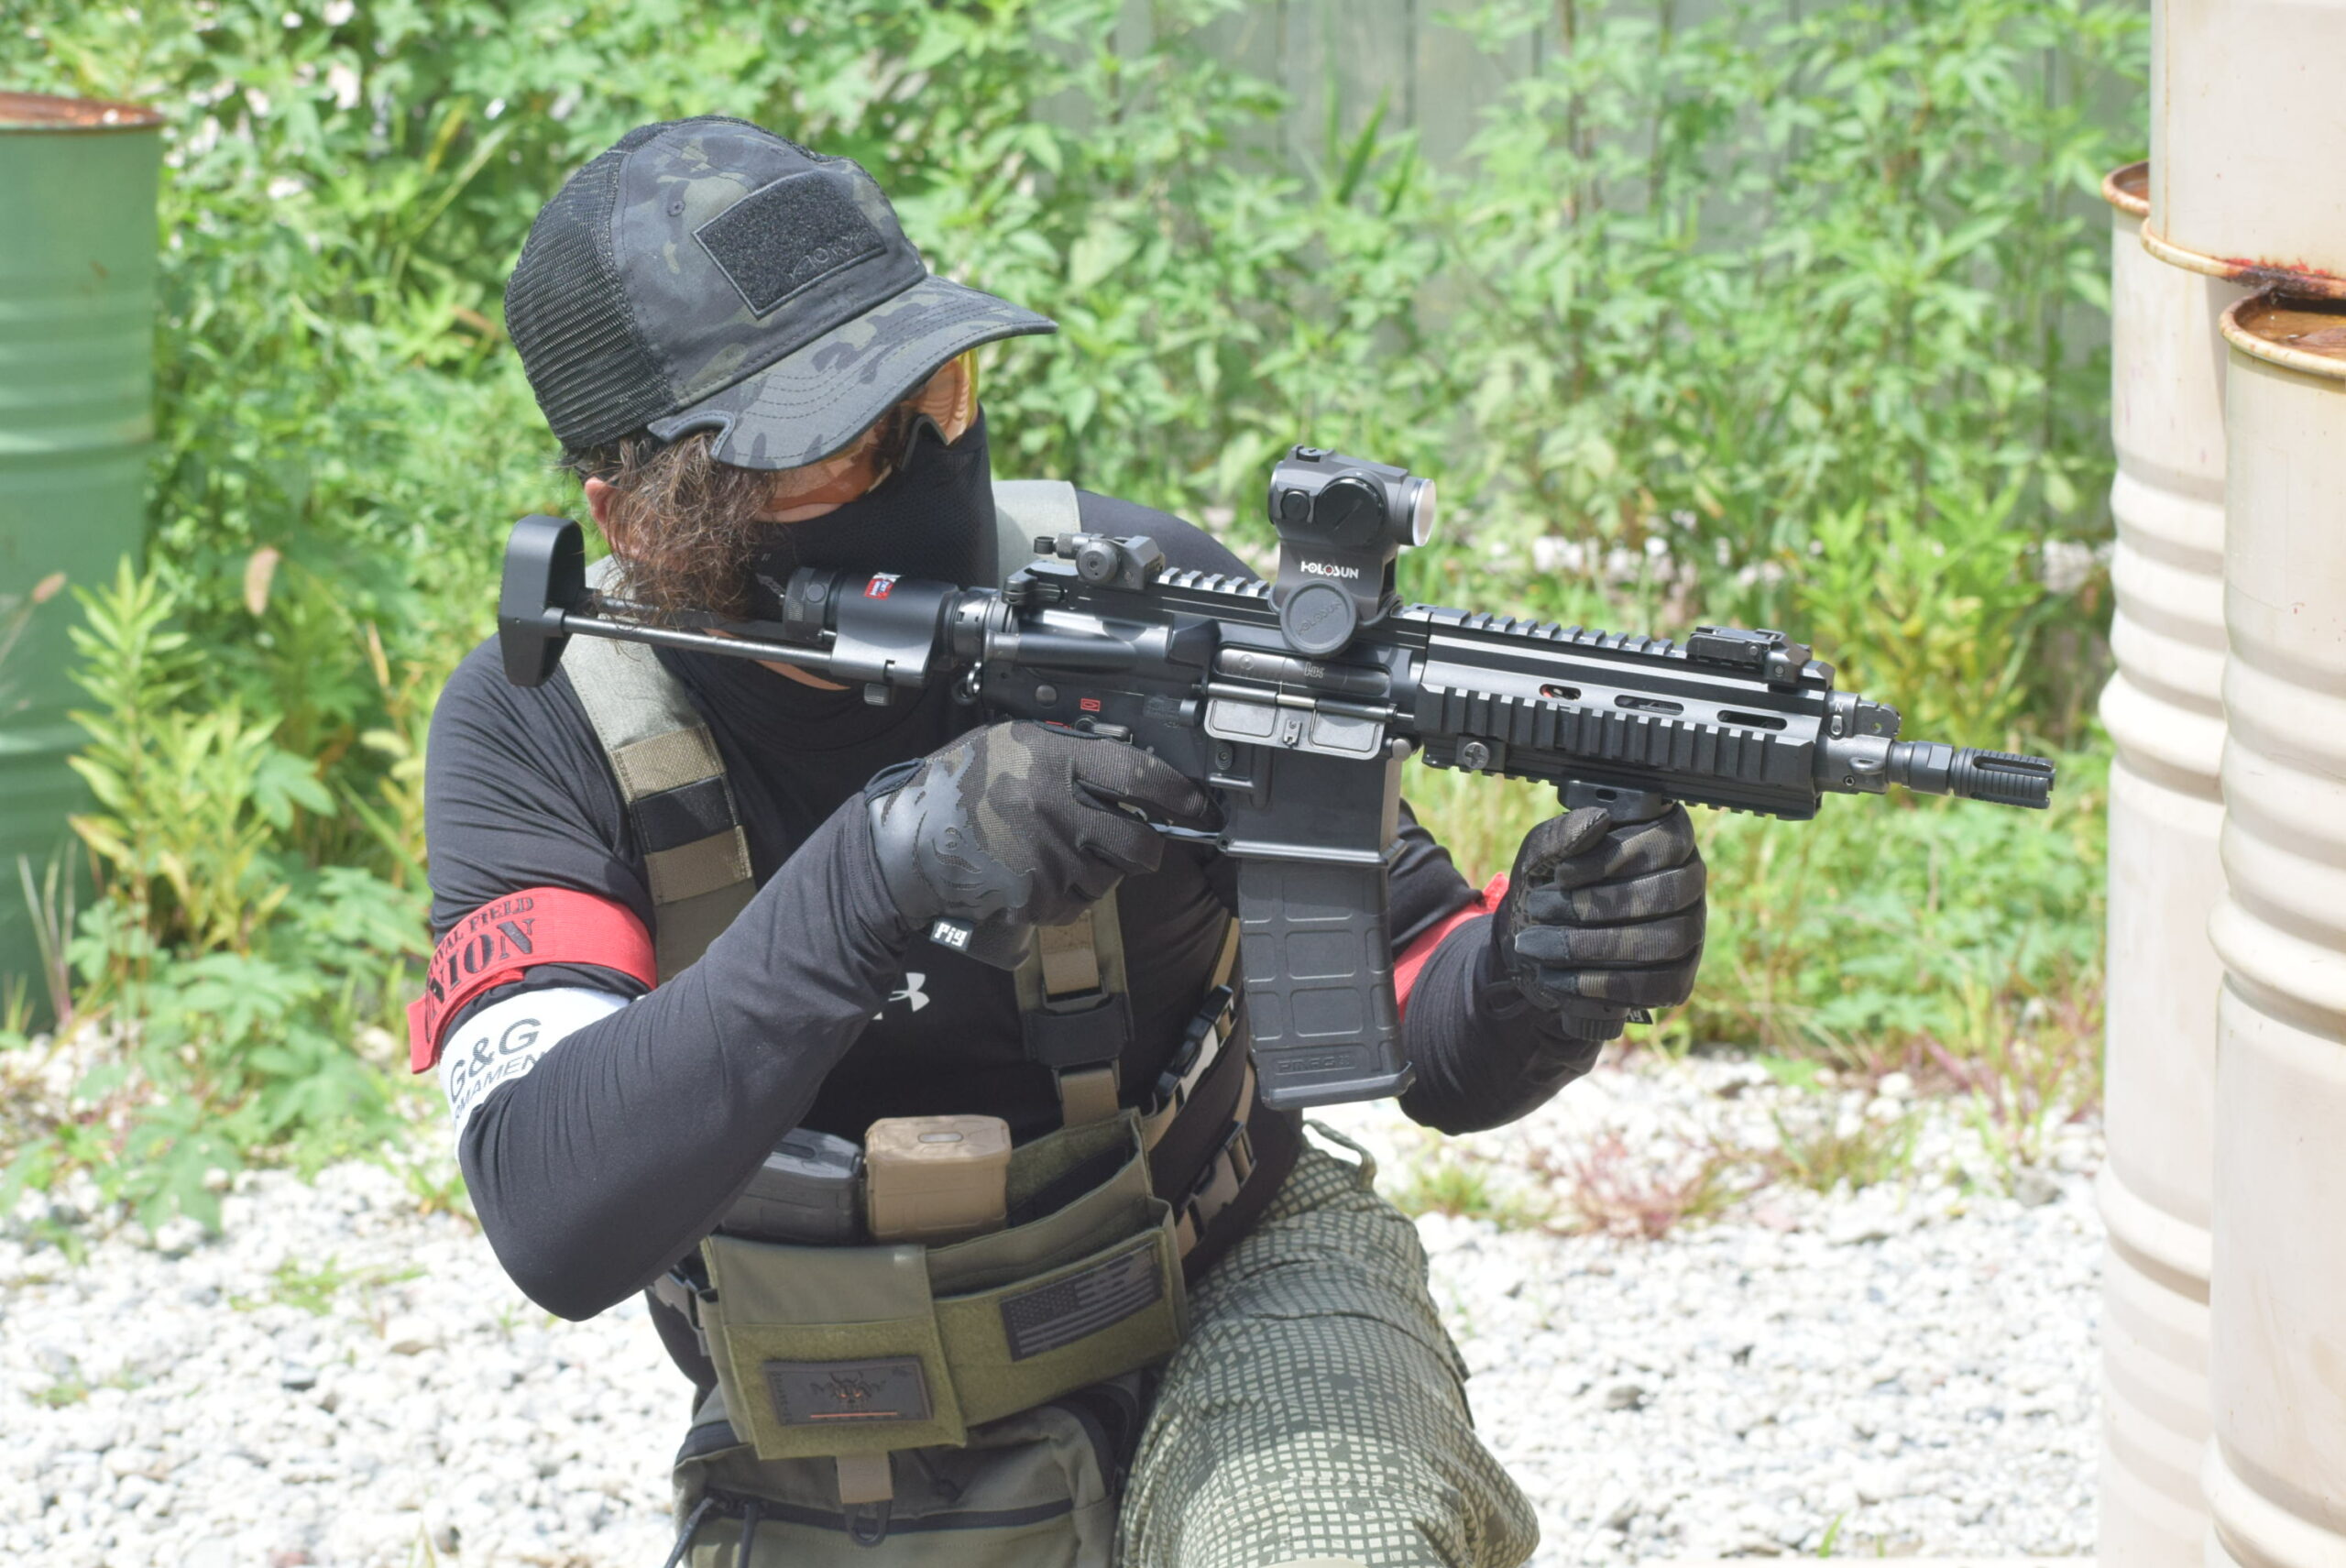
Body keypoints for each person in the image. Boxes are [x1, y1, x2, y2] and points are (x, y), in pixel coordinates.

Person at [414, 115, 1706, 1568]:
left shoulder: (1137, 615)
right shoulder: (555, 725)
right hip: (846, 1396)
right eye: (826, 452)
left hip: (1229, 1281)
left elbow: (1422, 1008)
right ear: (641, 520)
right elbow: (552, 1206)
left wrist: (1542, 970)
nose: (919, 464)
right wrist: (874, 874)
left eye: (937, 393)